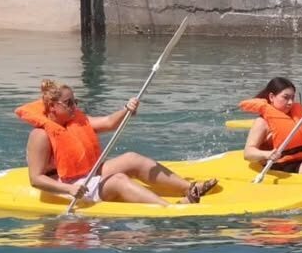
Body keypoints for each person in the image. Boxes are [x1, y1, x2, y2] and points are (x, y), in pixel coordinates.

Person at [16, 79, 217, 205]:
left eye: (75, 102)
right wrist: (69, 190)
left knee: (132, 159)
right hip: (66, 184)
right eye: (69, 103)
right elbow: (36, 179)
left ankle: (190, 188)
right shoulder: (40, 135)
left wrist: (127, 108)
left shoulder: (76, 121)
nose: (74, 107)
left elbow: (110, 123)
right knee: (118, 180)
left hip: (86, 172)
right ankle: (170, 208)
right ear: (52, 106)